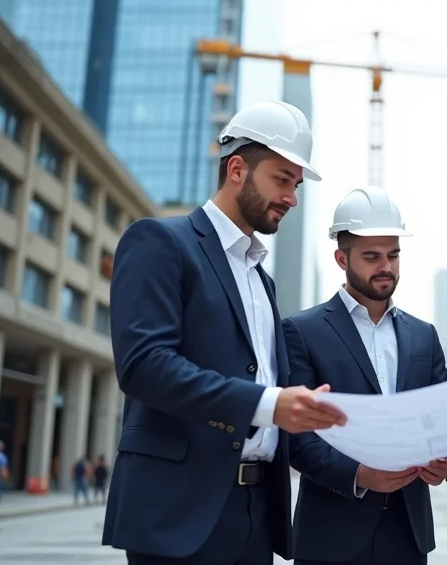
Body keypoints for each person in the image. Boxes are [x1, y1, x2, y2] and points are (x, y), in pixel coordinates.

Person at [103, 100, 347, 565]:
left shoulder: (261, 277)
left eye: (296, 184)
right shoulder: (160, 242)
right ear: (237, 168)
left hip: (256, 515)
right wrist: (269, 403)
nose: (292, 197)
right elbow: (143, 365)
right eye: (281, 179)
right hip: (178, 514)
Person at [283, 186, 447, 565]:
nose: (385, 266)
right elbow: (296, 435)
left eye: (393, 255)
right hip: (330, 536)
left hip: (408, 534)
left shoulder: (424, 335)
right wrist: (358, 475)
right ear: (341, 258)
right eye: (371, 256)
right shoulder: (301, 331)